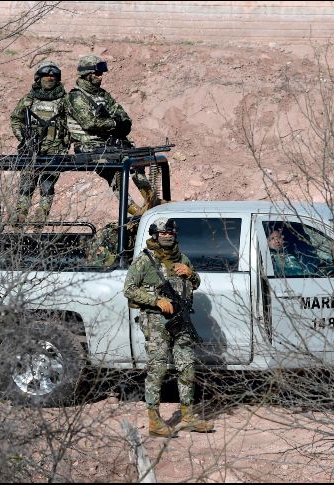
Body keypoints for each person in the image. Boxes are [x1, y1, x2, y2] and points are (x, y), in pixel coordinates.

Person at [123, 218, 214, 437]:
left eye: (170, 233)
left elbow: (196, 283)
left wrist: (191, 274)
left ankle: (188, 416)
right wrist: (156, 301)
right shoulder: (144, 260)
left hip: (181, 321)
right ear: (155, 235)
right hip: (156, 322)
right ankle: (154, 421)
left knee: (187, 367)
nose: (166, 236)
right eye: (162, 233)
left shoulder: (182, 259)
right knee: (158, 369)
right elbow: (129, 289)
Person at [64, 55, 158, 216]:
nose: (101, 77)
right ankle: (135, 210)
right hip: (89, 147)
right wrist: (115, 124)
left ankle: (151, 201)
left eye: (101, 73)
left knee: (135, 161)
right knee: (115, 173)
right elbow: (89, 123)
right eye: (97, 73)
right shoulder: (75, 97)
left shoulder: (103, 95)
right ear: (87, 74)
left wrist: (122, 124)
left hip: (110, 144)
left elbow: (121, 113)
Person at [9, 61, 68, 224]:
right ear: (38, 78)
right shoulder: (29, 99)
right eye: (46, 75)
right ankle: (20, 216)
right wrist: (23, 138)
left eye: (53, 75)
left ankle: (40, 217)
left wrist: (67, 141)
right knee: (26, 183)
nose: (50, 78)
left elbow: (74, 123)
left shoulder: (65, 100)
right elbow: (15, 119)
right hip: (32, 148)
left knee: (47, 184)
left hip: (55, 150)